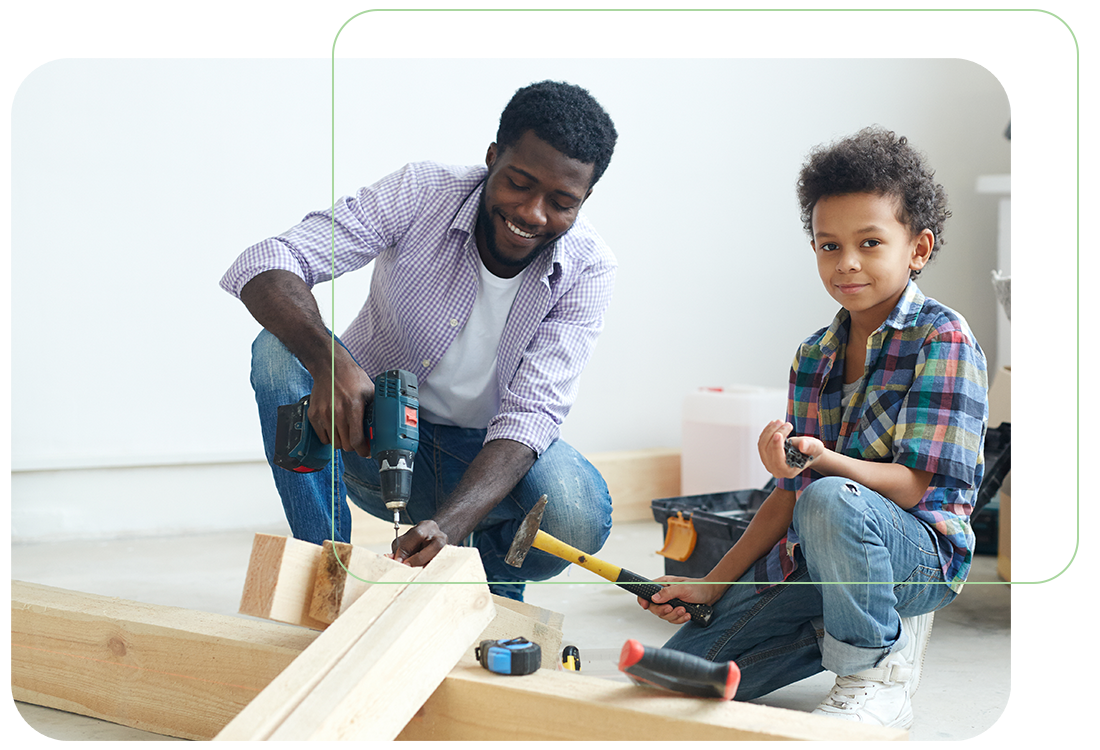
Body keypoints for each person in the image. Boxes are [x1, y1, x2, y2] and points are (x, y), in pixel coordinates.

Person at [639, 127, 988, 729]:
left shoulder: (943, 338)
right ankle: (856, 627)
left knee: (829, 499)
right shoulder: (815, 353)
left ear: (918, 248)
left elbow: (910, 489)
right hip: (824, 549)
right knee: (680, 674)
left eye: (870, 242)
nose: (847, 263)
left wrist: (818, 461)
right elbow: (789, 495)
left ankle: (876, 675)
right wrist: (713, 585)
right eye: (829, 246)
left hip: (920, 556)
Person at [220, 80, 619, 601]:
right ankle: (328, 574)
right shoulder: (421, 192)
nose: (532, 213)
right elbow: (267, 262)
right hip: (371, 439)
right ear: (492, 158)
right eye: (519, 183)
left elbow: (531, 418)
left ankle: (485, 587)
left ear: (584, 199)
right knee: (277, 351)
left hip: (477, 468)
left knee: (573, 510)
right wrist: (331, 361)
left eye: (562, 202)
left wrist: (449, 526)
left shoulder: (588, 269)